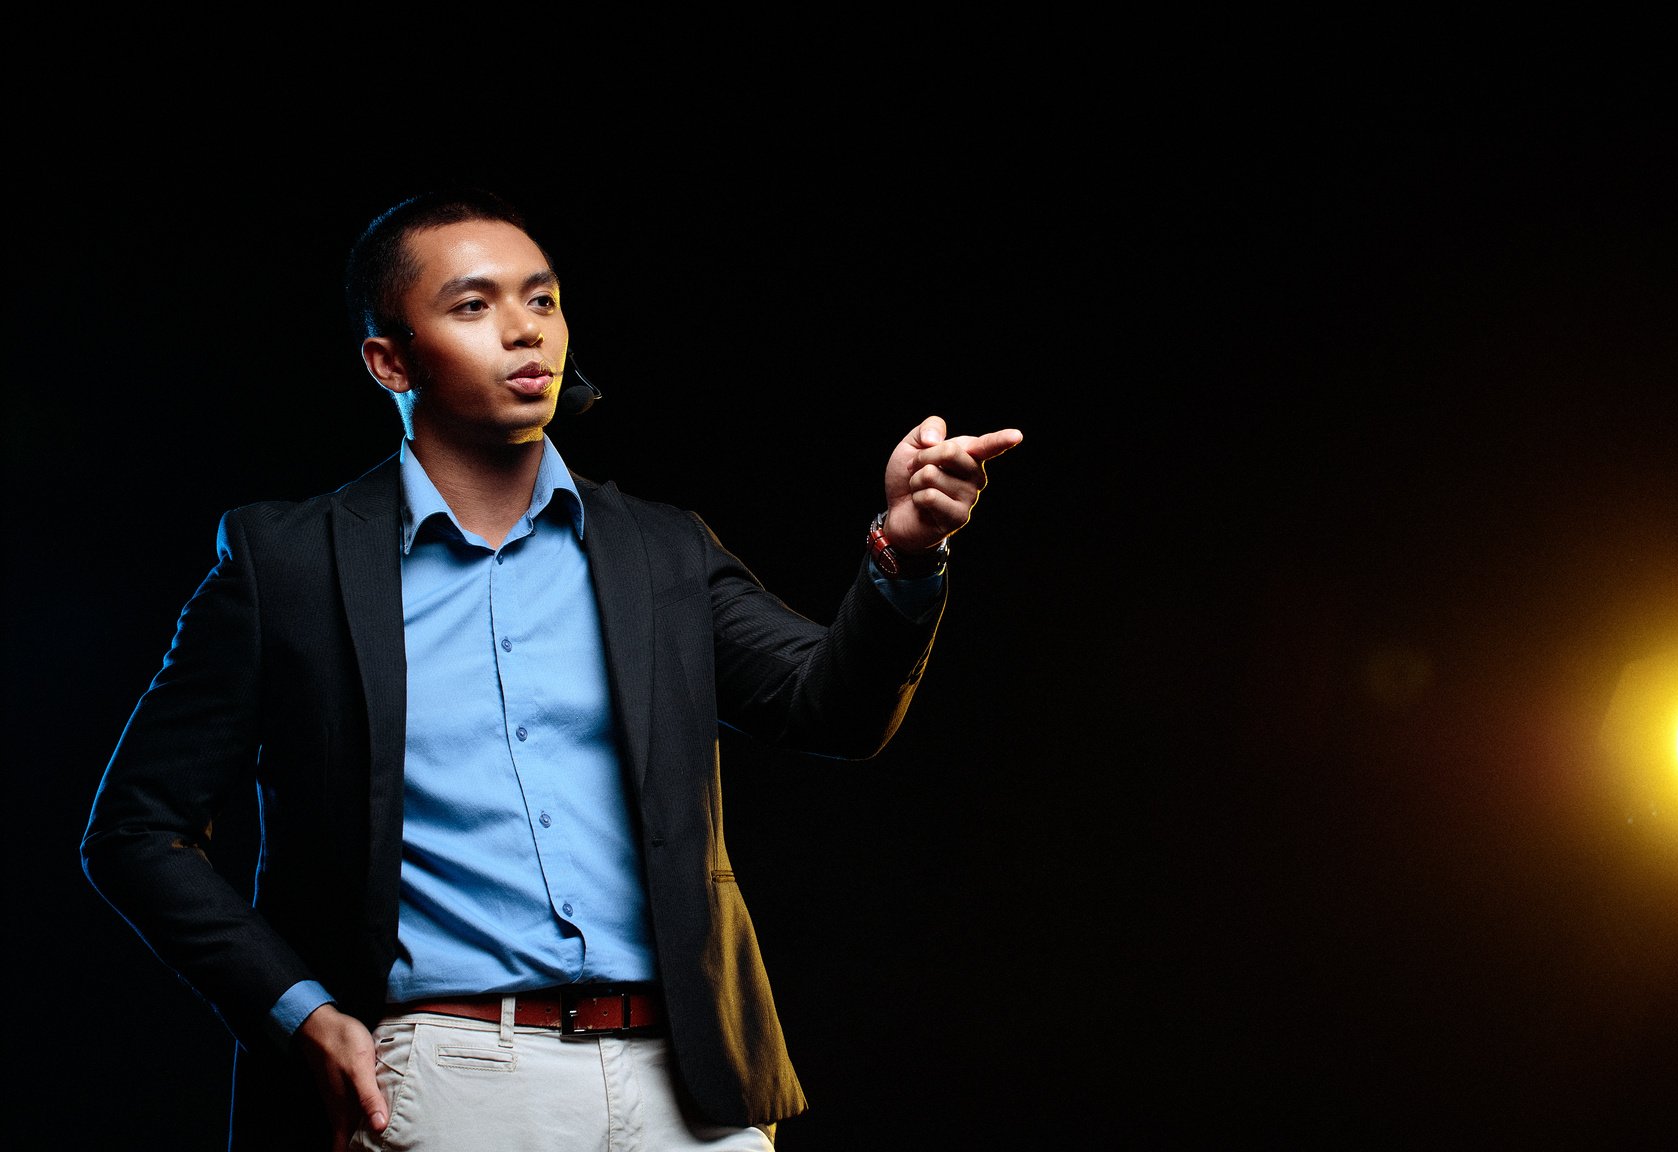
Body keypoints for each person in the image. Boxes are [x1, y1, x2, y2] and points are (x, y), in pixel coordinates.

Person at [80, 186, 1023, 1151]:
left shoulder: (660, 549)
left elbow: (832, 712)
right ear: (389, 361)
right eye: (473, 305)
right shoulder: (285, 564)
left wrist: (903, 555)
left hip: (690, 1089)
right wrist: (301, 1012)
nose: (526, 332)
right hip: (442, 1079)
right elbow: (136, 831)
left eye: (542, 299)